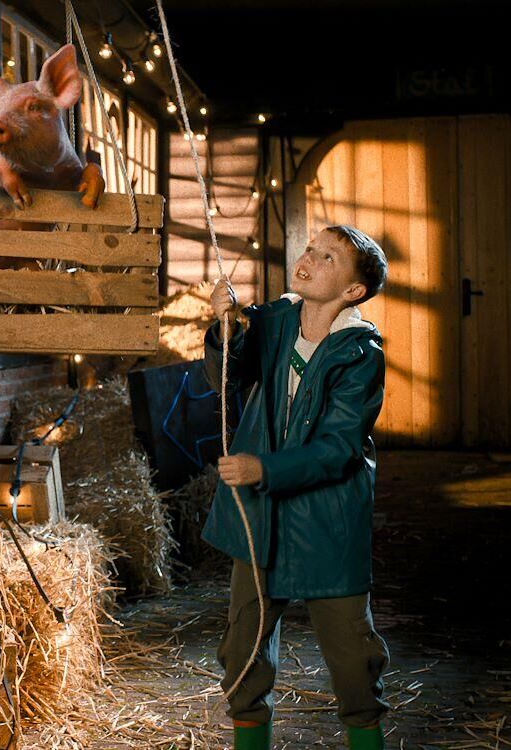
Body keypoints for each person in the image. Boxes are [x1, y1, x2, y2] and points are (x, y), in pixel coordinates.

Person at [204, 225, 392, 750]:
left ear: (353, 291)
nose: (309, 258)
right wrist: (226, 328)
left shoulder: (360, 354)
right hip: (260, 521)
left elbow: (338, 449)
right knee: (243, 654)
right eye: (311, 248)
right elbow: (227, 375)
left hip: (326, 523)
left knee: (354, 661)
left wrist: (263, 470)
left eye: (328, 257)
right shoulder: (275, 319)